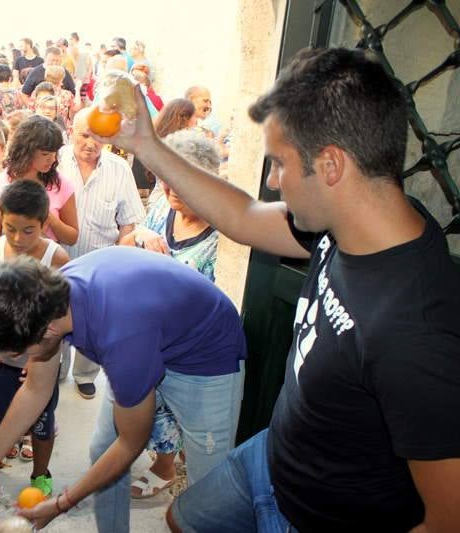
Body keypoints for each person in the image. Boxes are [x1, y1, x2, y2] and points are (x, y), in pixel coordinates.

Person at [99, 48, 460, 533]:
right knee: (180, 519)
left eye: (278, 164)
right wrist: (147, 145)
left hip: (317, 516)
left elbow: (447, 520)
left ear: (331, 166)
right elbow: (245, 215)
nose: (271, 181)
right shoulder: (357, 219)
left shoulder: (417, 335)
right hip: (272, 455)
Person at [0, 244, 246, 531]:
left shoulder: (121, 341)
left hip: (205, 355)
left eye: (18, 353)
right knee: (103, 449)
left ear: (46, 331)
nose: (20, 360)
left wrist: (61, 504)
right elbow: (36, 388)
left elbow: (130, 443)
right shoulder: (47, 301)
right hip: (147, 334)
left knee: (210, 487)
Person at [120, 130, 225, 499]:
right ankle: (165, 462)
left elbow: (217, 303)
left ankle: (179, 468)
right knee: (151, 402)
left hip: (191, 344)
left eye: (182, 180)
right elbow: (124, 247)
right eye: (165, 178)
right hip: (150, 333)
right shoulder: (162, 210)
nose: (170, 189)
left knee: (183, 410)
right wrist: (139, 236)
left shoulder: (223, 234)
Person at [0, 180, 70, 496]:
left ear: (44, 224)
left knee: (41, 422)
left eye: (28, 230)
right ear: (1, 220)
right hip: (0, 357)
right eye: (10, 229)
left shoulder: (57, 259)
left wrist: (39, 357)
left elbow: (63, 317)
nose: (18, 239)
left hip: (41, 360)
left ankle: (40, 473)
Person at [56, 107, 145, 397]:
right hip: (58, 260)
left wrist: (120, 261)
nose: (91, 143)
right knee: (55, 316)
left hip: (99, 265)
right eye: (84, 135)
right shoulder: (55, 162)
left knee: (93, 323)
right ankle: (55, 369)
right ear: (71, 131)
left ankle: (85, 373)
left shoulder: (119, 170)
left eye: (98, 138)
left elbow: (128, 221)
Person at [0, 115, 78, 246]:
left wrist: (49, 218)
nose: (52, 159)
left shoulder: (62, 185)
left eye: (55, 153)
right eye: (45, 154)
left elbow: (72, 238)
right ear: (27, 150)